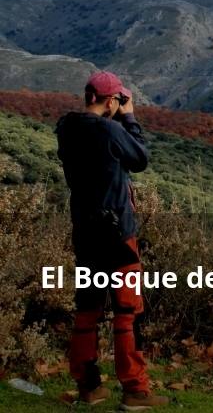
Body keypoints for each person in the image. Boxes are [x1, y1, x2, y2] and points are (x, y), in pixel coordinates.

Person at [55, 71, 168, 410]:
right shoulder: (110, 130)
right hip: (117, 233)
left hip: (85, 231)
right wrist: (129, 117)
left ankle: (88, 387)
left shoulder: (66, 128)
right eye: (118, 99)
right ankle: (135, 390)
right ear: (110, 100)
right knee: (127, 310)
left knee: (88, 308)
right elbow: (140, 159)